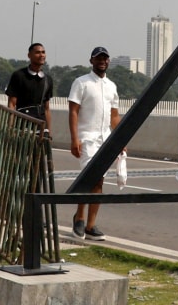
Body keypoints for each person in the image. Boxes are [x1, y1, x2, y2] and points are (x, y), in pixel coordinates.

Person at [68, 46, 125, 238]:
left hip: (105, 139)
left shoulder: (112, 86)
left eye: (105, 58)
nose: (102, 61)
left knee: (99, 181)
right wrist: (74, 138)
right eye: (98, 58)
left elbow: (114, 116)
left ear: (108, 61)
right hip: (86, 138)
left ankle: (91, 225)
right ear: (91, 61)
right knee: (88, 179)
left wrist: (120, 139)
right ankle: (79, 219)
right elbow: (73, 111)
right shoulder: (81, 83)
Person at [5, 42, 54, 129]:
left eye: (43, 52)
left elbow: (46, 108)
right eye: (37, 52)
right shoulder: (19, 75)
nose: (41, 55)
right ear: (29, 55)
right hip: (22, 124)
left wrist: (49, 132)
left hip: (41, 126)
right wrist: (10, 127)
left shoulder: (47, 79)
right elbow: (12, 104)